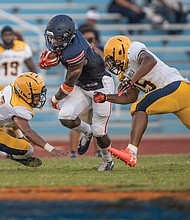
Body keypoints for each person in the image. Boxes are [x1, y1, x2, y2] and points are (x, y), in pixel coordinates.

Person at [93, 35, 190, 167]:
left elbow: (150, 61)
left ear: (119, 52)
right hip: (181, 93)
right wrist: (105, 97)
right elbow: (129, 97)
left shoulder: (133, 49)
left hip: (175, 86)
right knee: (137, 105)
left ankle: (131, 152)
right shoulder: (125, 73)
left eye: (112, 59)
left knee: (139, 107)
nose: (112, 64)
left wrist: (131, 81)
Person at [39, 14, 114, 171]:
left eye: (57, 39)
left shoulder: (75, 52)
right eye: (52, 38)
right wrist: (54, 57)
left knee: (100, 131)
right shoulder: (73, 36)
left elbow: (68, 84)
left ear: (67, 36)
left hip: (100, 85)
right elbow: (61, 51)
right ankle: (87, 132)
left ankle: (107, 160)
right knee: (65, 116)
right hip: (83, 84)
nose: (53, 42)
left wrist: (55, 99)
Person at [0, 72, 68, 166]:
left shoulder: (12, 89)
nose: (39, 98)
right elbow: (28, 131)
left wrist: (19, 135)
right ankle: (16, 156)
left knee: (23, 142)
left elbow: (10, 118)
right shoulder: (17, 107)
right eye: (36, 95)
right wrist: (51, 149)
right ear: (23, 93)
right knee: (27, 149)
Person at [0, 26, 37, 90]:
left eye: (9, 35)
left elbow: (32, 68)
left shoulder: (22, 47)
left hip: (16, 87)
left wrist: (36, 81)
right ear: (2, 37)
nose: (8, 37)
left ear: (13, 36)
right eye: (5, 35)